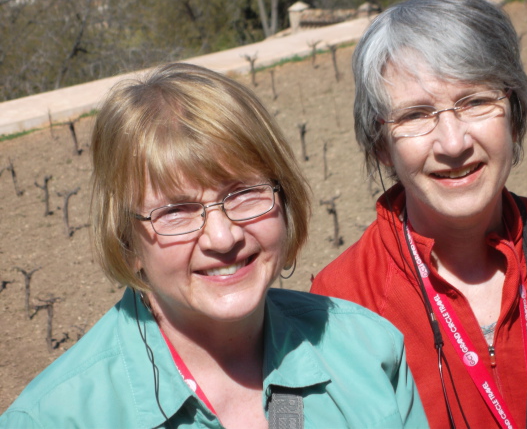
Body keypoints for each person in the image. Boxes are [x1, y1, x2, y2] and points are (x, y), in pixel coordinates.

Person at [0, 63, 427, 429]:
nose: (223, 238)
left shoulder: (370, 353)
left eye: (244, 193)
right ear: (127, 242)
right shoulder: (55, 418)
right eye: (175, 212)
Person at [311, 0, 527, 428]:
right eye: (415, 115)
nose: (453, 143)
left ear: (514, 112)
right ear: (381, 147)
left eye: (474, 101)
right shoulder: (339, 302)